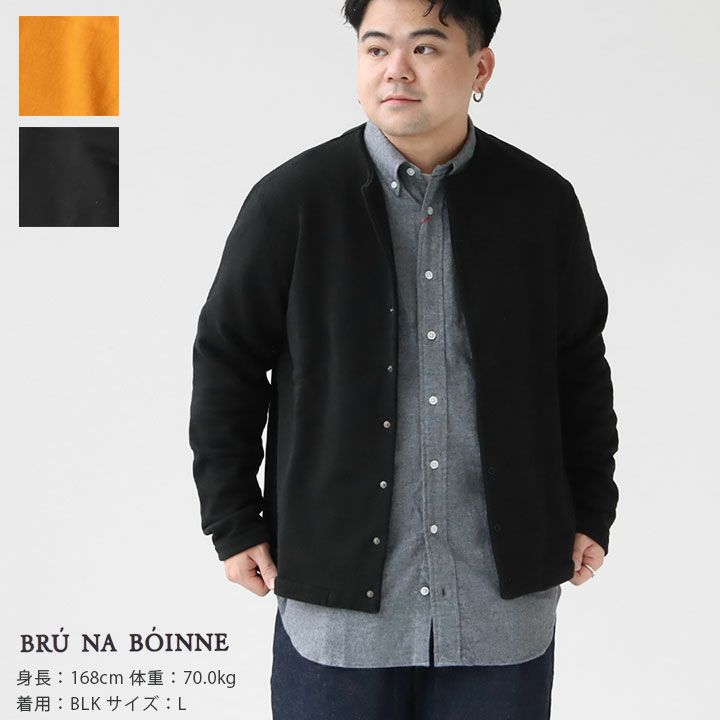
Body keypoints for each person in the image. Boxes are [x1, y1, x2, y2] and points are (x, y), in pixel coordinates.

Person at [189, 0, 620, 717]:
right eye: (375, 48)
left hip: (498, 612)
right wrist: (233, 520)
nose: (395, 69)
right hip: (336, 616)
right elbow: (226, 361)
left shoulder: (541, 204)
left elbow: (578, 367)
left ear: (480, 67)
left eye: (424, 47)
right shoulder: (293, 201)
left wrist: (592, 508)